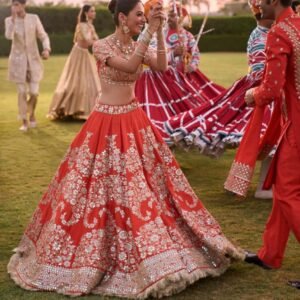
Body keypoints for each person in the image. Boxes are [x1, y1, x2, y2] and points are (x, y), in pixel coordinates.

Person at [7, 0, 243, 298]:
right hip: (104, 124)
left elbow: (161, 65)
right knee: (95, 193)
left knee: (147, 190)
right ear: (122, 17)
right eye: (138, 17)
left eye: (144, 18)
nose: (141, 22)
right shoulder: (101, 46)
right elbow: (131, 66)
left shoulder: (138, 42)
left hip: (134, 121)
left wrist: (156, 32)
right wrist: (150, 32)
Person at [164, 1, 273, 159]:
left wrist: (190, 66)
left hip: (186, 77)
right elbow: (157, 54)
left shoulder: (186, 36)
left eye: (174, 15)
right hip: (167, 77)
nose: (171, 18)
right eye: (170, 15)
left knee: (190, 101)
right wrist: (172, 55)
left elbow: (195, 55)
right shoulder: (161, 35)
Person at [243, 0, 300, 276]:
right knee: (283, 187)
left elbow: (272, 90)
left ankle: (271, 254)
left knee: (288, 193)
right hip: (294, 123)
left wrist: (251, 96)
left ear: (274, 2)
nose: (257, 4)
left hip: (297, 126)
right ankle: (271, 254)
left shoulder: (279, 32)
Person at [135, 0, 223, 139]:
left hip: (171, 76)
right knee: (157, 110)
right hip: (153, 80)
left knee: (175, 106)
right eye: (153, 10)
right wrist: (173, 54)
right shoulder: (147, 34)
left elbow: (191, 53)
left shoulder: (170, 32)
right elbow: (152, 58)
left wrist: (189, 64)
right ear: (146, 15)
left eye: (159, 9)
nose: (159, 13)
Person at [47, 5, 101, 120]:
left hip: (85, 53)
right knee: (74, 80)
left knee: (90, 81)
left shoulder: (90, 26)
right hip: (78, 53)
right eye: (92, 11)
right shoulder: (81, 25)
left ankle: (85, 109)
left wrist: (97, 40)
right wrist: (97, 41)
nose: (94, 13)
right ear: (86, 13)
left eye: (94, 11)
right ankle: (68, 108)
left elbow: (94, 40)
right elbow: (87, 39)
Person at [5, 0, 51, 131]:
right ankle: (25, 121)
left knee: (34, 92)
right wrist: (13, 21)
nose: (15, 7)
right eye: (13, 5)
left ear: (24, 5)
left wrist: (46, 49)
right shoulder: (9, 20)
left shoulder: (34, 18)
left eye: (17, 4)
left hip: (34, 60)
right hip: (17, 61)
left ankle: (31, 113)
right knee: (21, 92)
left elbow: (43, 35)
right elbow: (8, 36)